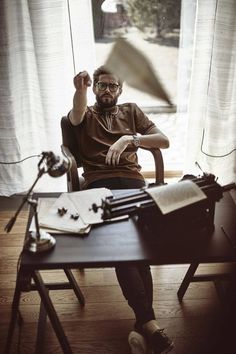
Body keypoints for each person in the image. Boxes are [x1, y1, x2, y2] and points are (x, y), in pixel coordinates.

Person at [68, 66, 174, 354]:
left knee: (138, 241)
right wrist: (79, 90)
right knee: (124, 244)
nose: (107, 90)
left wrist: (131, 139)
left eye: (112, 86)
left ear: (120, 90)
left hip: (132, 181)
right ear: (94, 89)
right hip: (98, 184)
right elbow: (75, 116)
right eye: (101, 85)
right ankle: (148, 322)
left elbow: (163, 140)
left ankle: (144, 324)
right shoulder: (85, 114)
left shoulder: (131, 110)